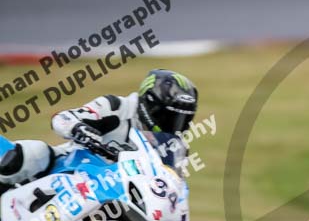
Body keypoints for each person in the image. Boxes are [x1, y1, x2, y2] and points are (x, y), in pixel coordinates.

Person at [0, 69, 198, 186]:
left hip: (116, 193)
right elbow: (62, 118)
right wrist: (80, 129)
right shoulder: (117, 107)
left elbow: (172, 184)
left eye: (183, 119)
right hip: (73, 170)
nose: (175, 124)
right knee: (34, 153)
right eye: (170, 116)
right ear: (150, 104)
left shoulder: (173, 148)